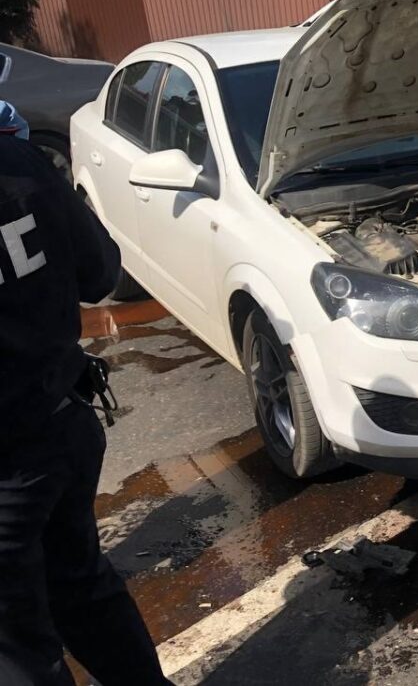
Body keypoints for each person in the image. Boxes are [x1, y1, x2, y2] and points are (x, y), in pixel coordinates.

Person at [0, 100, 171, 685]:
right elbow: (100, 275)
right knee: (79, 587)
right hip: (61, 426)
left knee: (18, 649)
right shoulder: (19, 159)